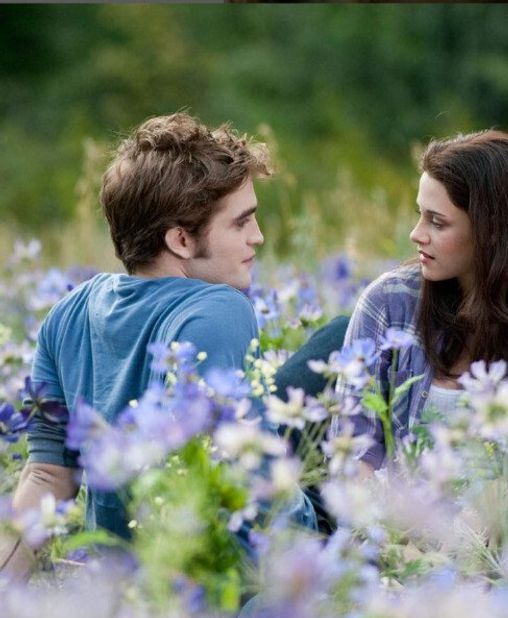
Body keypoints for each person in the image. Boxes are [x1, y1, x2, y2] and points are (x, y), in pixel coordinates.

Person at [0, 112, 309, 580]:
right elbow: (234, 491)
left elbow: (46, 475)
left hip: (126, 581)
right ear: (181, 240)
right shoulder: (219, 309)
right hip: (258, 571)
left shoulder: (69, 311)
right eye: (241, 222)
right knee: (334, 341)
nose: (258, 237)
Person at [334, 130, 508, 535]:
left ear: (493, 233)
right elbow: (352, 451)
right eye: (420, 214)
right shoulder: (388, 304)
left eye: (437, 221)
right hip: (394, 550)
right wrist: (392, 541)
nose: (417, 233)